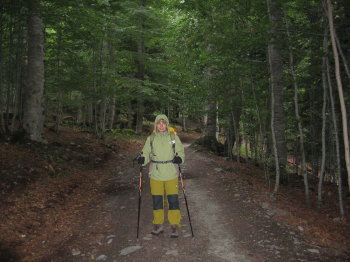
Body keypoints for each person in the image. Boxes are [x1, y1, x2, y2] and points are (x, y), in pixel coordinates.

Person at [137, 114, 185, 238]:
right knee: (157, 201)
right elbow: (146, 152)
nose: (161, 126)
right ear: (156, 125)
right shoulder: (151, 138)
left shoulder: (173, 137)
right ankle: (158, 225)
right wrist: (143, 159)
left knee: (173, 201)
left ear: (167, 124)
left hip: (171, 173)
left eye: (164, 123)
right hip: (156, 174)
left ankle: (174, 225)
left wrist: (180, 158)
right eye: (159, 123)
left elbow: (180, 151)